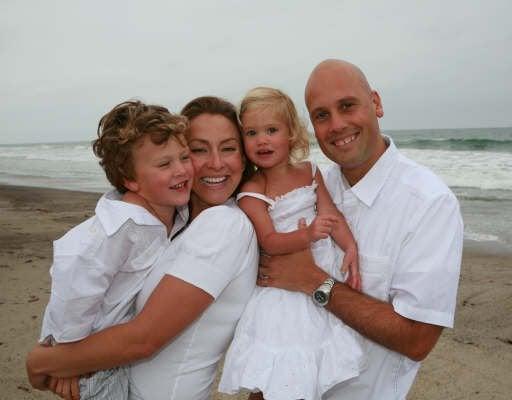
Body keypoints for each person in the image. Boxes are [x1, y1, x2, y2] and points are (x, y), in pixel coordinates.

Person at [26, 96, 259, 400]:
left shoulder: (224, 224)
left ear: (244, 157)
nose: (215, 162)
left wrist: (44, 361)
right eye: (198, 150)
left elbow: (144, 339)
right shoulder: (172, 222)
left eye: (229, 148)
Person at [257, 60, 463, 399]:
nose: (337, 125)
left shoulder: (428, 203)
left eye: (347, 106)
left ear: (376, 104)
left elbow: (417, 339)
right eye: (321, 115)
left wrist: (313, 281)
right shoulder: (309, 189)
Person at [37, 100, 193, 399]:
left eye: (184, 157)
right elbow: (73, 287)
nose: (182, 170)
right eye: (164, 164)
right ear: (130, 180)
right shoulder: (118, 229)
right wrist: (65, 356)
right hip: (93, 359)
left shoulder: (173, 211)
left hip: (120, 351)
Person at [218, 87, 364, 400]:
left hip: (317, 276)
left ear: (291, 134)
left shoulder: (311, 172)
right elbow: (269, 241)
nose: (262, 140)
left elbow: (331, 214)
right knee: (275, 373)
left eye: (272, 130)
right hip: (281, 294)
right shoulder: (254, 189)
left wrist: (350, 246)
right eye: (252, 132)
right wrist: (307, 235)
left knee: (310, 368)